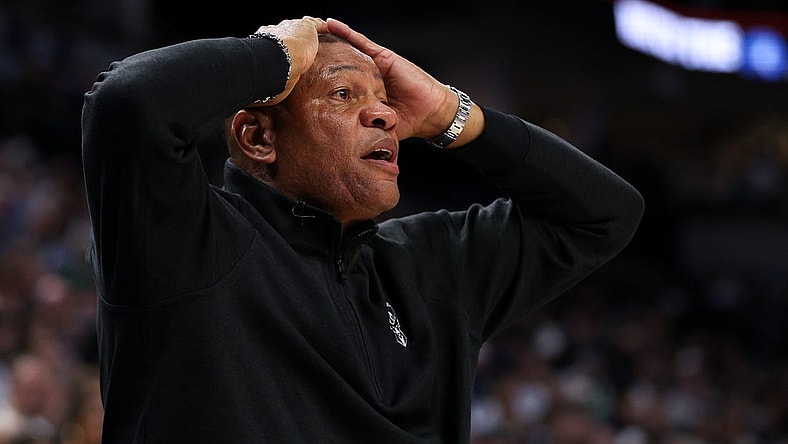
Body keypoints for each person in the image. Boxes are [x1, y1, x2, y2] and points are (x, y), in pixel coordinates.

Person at [81, 16, 644, 443]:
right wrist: (275, 55)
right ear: (259, 137)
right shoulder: (186, 240)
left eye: (385, 101)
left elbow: (605, 214)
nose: (386, 116)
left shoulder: (430, 265)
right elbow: (129, 100)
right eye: (343, 94)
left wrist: (452, 115)